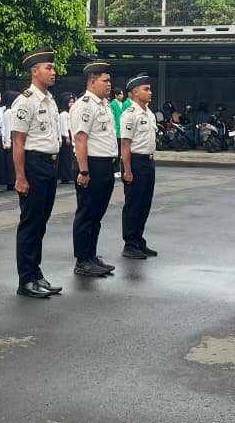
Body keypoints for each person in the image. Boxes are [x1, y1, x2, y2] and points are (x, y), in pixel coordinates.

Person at [8, 49, 65, 299]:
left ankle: (36, 272)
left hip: (50, 164)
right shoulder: (25, 101)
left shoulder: (50, 100)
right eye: (48, 68)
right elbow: (18, 141)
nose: (53, 72)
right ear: (34, 71)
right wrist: (20, 177)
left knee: (41, 222)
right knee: (30, 223)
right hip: (34, 164)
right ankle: (26, 279)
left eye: (53, 68)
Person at [70, 61, 118, 277]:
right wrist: (84, 171)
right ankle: (82, 260)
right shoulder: (85, 105)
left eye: (109, 81)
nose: (109, 84)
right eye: (105, 81)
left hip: (105, 165)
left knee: (97, 214)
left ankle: (91, 255)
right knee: (86, 214)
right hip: (91, 165)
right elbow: (81, 139)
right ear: (92, 82)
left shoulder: (104, 105)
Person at [119, 74, 159, 260]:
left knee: (145, 204)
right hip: (135, 161)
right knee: (133, 204)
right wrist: (127, 170)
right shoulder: (130, 114)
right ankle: (130, 244)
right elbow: (125, 144)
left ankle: (138, 239)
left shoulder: (149, 113)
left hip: (149, 161)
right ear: (135, 92)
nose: (150, 92)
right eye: (146, 89)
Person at [57, 93, 76, 184]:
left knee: (70, 157)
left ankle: (69, 175)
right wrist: (67, 136)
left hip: (70, 135)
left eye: (73, 102)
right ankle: (65, 176)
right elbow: (63, 126)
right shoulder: (63, 114)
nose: (72, 103)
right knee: (66, 157)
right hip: (65, 136)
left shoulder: (70, 113)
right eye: (70, 102)